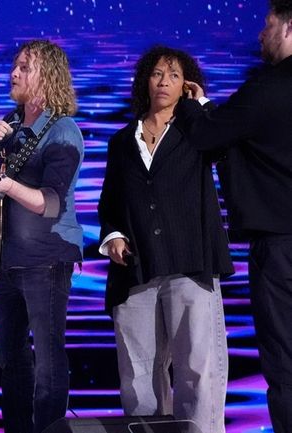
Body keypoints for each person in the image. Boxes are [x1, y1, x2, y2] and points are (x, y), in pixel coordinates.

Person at [97, 46, 234, 433]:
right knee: (138, 373)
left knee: (197, 368)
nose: (163, 82)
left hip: (190, 262)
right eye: (157, 74)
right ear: (145, 80)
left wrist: (200, 104)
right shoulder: (121, 142)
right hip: (136, 268)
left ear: (186, 85)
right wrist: (114, 235)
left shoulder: (196, 131)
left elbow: (223, 144)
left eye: (174, 76)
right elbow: (110, 204)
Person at [176, 1, 292, 430]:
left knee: (284, 363)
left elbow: (210, 135)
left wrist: (191, 107)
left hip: (280, 246)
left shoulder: (268, 87)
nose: (261, 33)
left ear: (288, 27)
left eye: (268, 24)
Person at [0, 40, 84, 433]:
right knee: (9, 356)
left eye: (24, 68)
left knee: (48, 359)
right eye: (14, 66)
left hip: (46, 260)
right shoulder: (11, 125)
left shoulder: (63, 132)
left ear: (47, 77)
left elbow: (50, 202)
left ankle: (50, 429)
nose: (13, 73)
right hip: (6, 258)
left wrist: (7, 187)